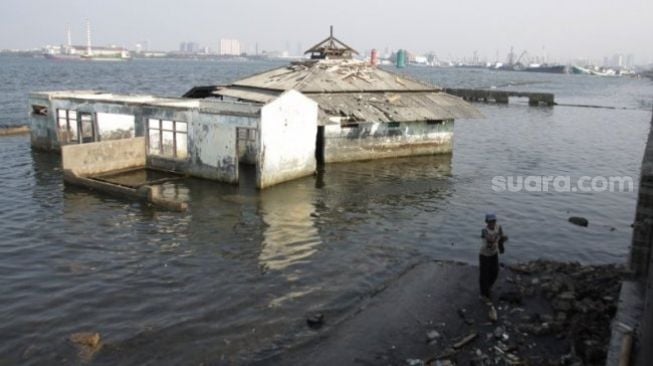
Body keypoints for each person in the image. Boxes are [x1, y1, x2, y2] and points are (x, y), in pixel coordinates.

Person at [479, 213, 507, 302]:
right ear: (487, 222)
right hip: (484, 255)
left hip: (494, 254)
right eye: (490, 221)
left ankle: (488, 287)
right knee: (484, 275)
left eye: (494, 221)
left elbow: (501, 237)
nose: (492, 223)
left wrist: (501, 246)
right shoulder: (484, 230)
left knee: (495, 272)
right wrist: (499, 237)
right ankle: (484, 294)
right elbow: (490, 239)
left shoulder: (498, 227)